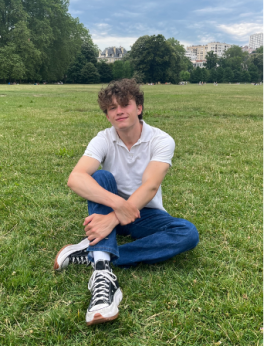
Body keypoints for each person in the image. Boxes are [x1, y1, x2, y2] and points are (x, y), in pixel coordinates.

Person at [53, 79, 199, 326]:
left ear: (139, 107)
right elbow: (75, 178)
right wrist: (117, 206)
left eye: (125, 104)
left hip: (144, 214)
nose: (119, 111)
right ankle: (102, 272)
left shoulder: (161, 140)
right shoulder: (103, 138)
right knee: (100, 176)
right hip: (112, 207)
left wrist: (113, 218)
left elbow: (150, 187)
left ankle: (97, 254)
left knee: (187, 233)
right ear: (107, 115)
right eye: (111, 108)